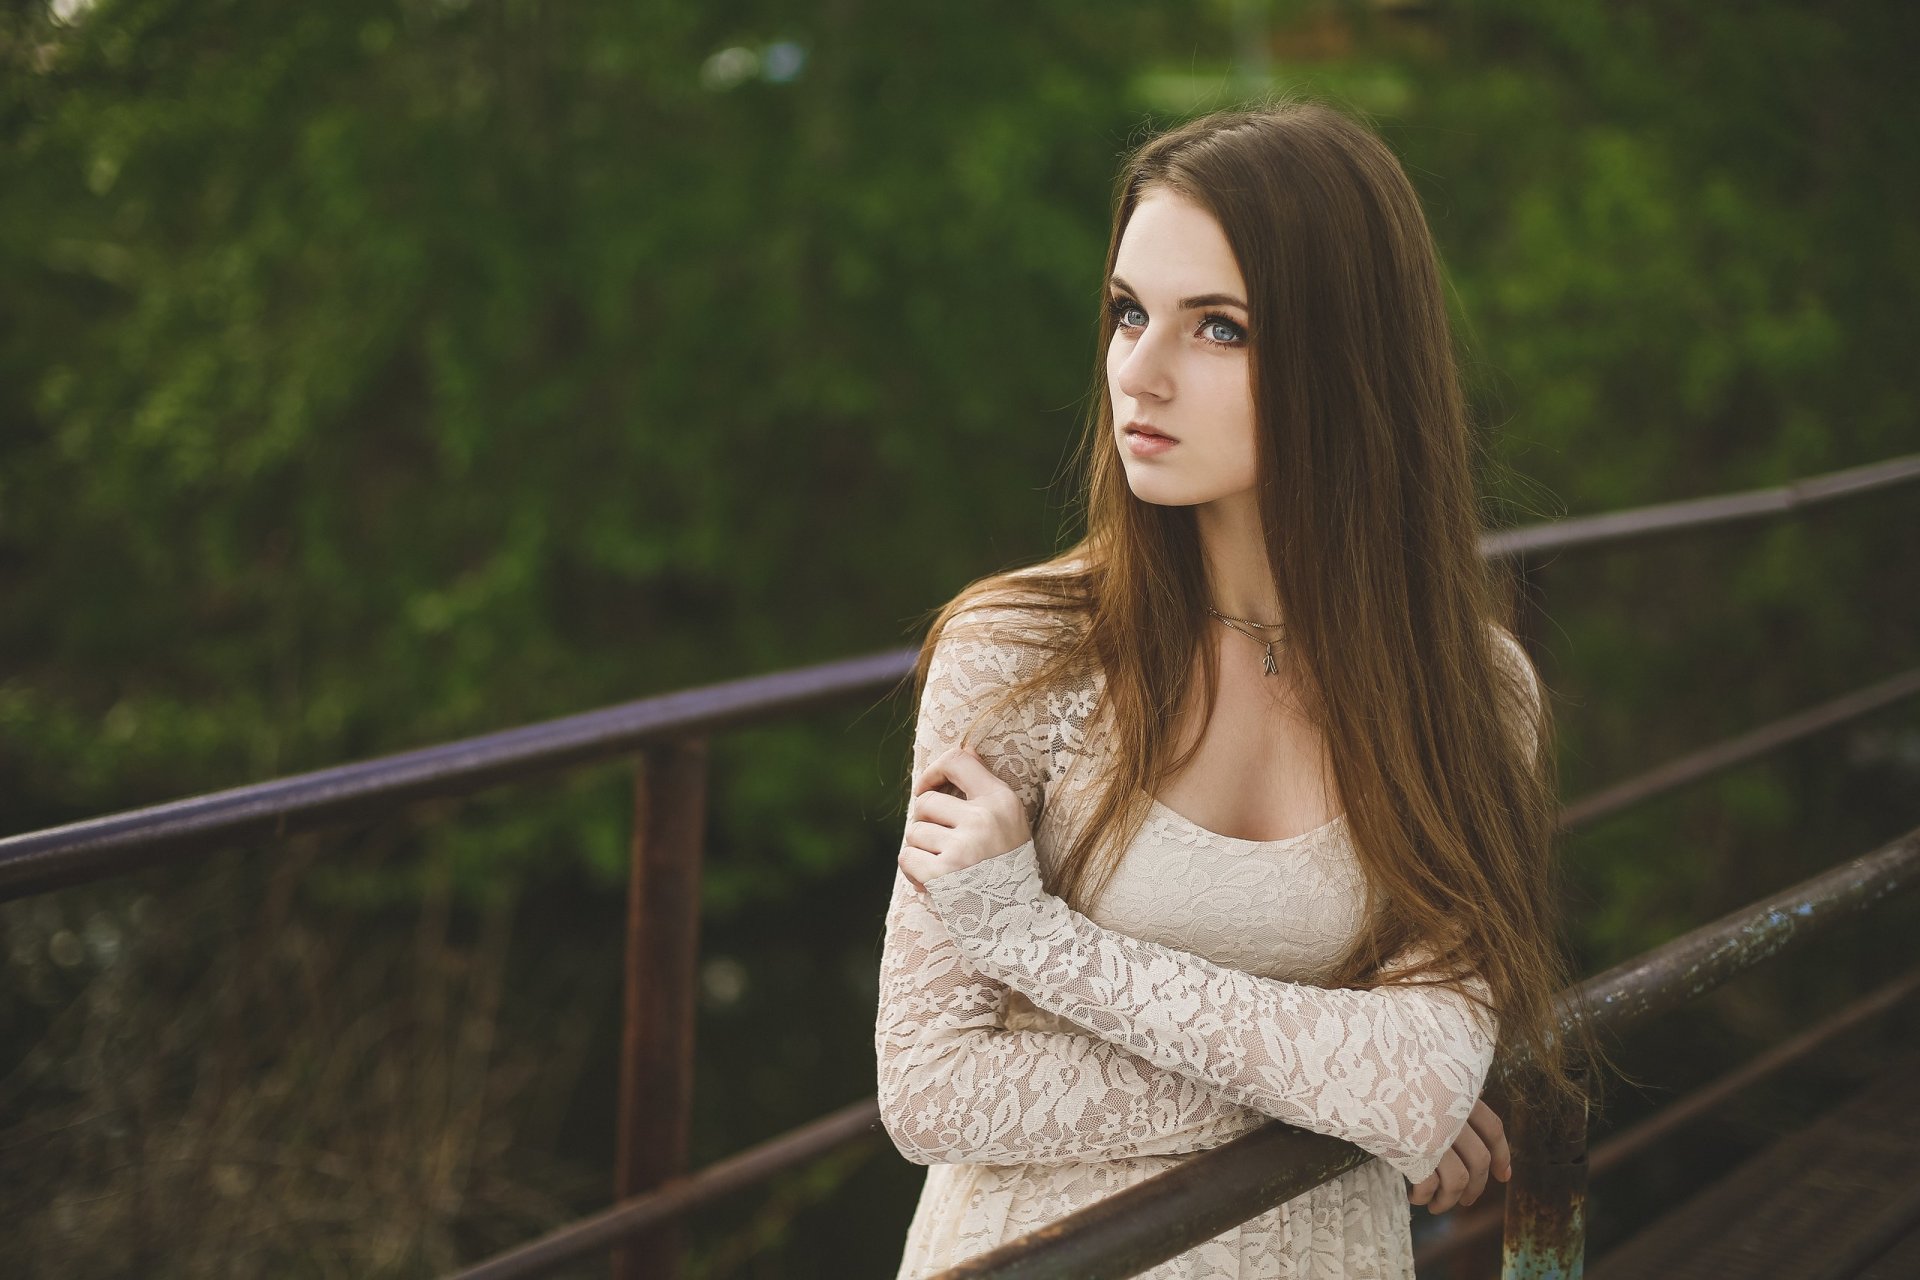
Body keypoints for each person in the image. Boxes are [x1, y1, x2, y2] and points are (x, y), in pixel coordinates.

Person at [873, 97, 1592, 1279]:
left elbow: (1416, 1076)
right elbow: (935, 1089)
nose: (1139, 373)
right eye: (1127, 312)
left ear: (1349, 360)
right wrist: (1342, 1098)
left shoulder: (1474, 693)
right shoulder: (1020, 652)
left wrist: (1036, 942)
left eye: (1219, 329)